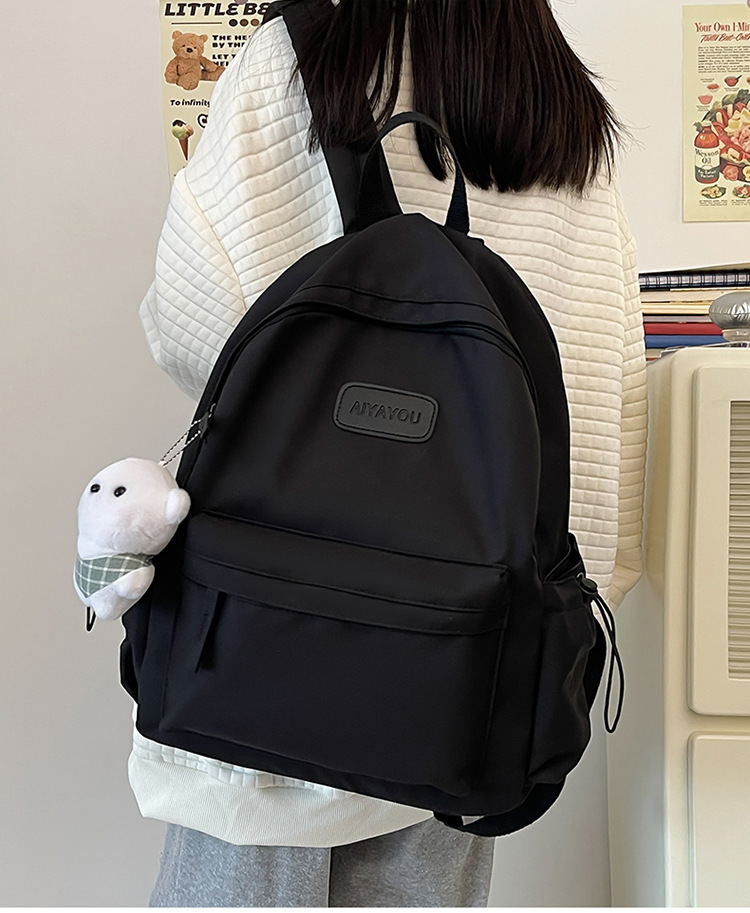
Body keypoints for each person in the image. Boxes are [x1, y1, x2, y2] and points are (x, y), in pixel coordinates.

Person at [136, 0, 647, 906]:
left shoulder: (302, 60)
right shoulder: (562, 112)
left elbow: (188, 325)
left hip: (272, 636)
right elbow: (607, 395)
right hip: (465, 664)